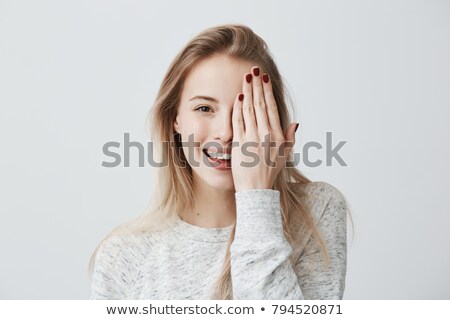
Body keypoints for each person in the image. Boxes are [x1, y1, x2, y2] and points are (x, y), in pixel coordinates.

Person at [88, 24, 350, 300]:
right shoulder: (124, 254)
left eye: (245, 111)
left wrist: (256, 197)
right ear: (174, 119)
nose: (225, 133)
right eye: (204, 108)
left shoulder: (317, 211)